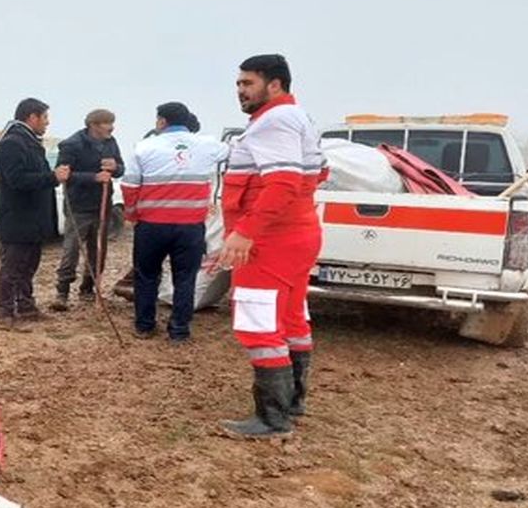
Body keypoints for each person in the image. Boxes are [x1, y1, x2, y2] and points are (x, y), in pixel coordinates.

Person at [217, 54, 325, 438]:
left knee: (258, 325)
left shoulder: (272, 122)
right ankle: (293, 402)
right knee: (291, 319)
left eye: (248, 83)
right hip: (298, 234)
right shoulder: (298, 118)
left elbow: (282, 183)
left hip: (271, 241)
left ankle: (272, 418)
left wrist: (246, 232)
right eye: (239, 84)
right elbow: (319, 171)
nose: (240, 91)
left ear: (274, 84)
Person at [122, 102, 227, 341]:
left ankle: (144, 326)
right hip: (190, 227)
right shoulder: (208, 145)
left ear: (161, 121)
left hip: (152, 225)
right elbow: (234, 150)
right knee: (185, 278)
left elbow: (129, 186)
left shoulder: (144, 147)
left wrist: (131, 215)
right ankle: (179, 330)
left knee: (147, 275)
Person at [0, 97, 68, 329]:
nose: (47, 123)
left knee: (28, 266)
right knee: (13, 268)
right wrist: (52, 177)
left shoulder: (29, 141)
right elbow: (16, 180)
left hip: (31, 220)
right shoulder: (13, 143)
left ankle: (26, 307)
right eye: (44, 117)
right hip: (17, 218)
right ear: (31, 117)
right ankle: (5, 314)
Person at [50, 109, 124, 310]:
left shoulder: (111, 142)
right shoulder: (71, 144)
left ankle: (88, 288)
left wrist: (115, 167)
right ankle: (62, 292)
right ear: (94, 125)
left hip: (102, 205)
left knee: (98, 250)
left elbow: (121, 169)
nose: (112, 127)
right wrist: (93, 177)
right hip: (78, 206)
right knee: (72, 249)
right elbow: (63, 175)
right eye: (108, 123)